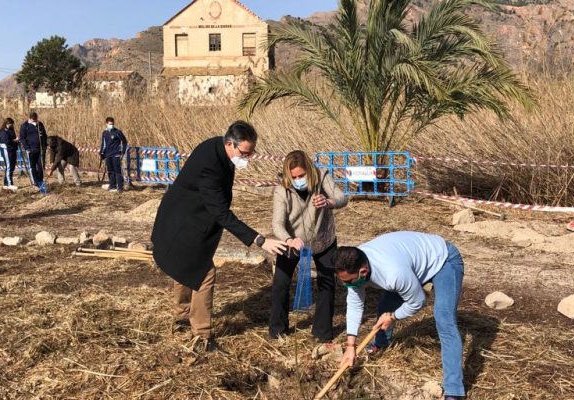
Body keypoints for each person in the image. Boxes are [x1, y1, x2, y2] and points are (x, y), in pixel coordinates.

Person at [151, 120, 287, 352]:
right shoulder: (210, 167)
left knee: (186, 267)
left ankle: (181, 317)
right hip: (184, 221)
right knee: (203, 273)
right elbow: (221, 213)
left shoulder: (218, 148)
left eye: (251, 152)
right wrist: (260, 240)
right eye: (245, 153)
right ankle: (202, 335)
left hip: (189, 216)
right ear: (230, 144)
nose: (248, 158)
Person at [334, 231, 466, 400]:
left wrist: (393, 316)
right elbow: (354, 305)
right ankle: (381, 343)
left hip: (443, 260)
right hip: (410, 263)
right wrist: (351, 345)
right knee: (385, 307)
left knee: (444, 320)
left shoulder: (393, 273)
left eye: (348, 281)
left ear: (363, 271)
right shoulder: (353, 261)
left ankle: (454, 389)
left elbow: (418, 301)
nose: (345, 285)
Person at [270, 150, 348, 341]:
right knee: (280, 283)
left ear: (310, 170)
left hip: (323, 239)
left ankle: (322, 332)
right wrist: (288, 240)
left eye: (302, 175)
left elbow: (342, 198)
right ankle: (277, 330)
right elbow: (277, 224)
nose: (298, 180)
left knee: (327, 283)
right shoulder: (282, 191)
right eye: (294, 177)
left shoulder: (322, 177)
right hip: (293, 242)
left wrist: (328, 202)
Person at [19, 111, 48, 193]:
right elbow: (22, 138)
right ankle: (35, 182)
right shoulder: (24, 126)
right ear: (30, 118)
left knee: (41, 166)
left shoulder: (40, 124)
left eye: (36, 120)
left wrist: (45, 145)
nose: (35, 121)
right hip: (31, 150)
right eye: (33, 120)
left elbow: (44, 135)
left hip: (41, 149)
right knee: (32, 167)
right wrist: (27, 148)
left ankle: (40, 181)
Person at [99, 117, 127, 192]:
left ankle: (120, 187)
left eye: (112, 124)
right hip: (108, 155)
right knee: (110, 171)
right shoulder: (104, 133)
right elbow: (103, 144)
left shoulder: (117, 132)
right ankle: (112, 186)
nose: (111, 125)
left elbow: (124, 141)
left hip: (116, 154)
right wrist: (102, 153)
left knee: (117, 171)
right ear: (106, 124)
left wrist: (123, 151)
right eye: (109, 124)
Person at [0, 117, 18, 190]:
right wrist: (14, 140)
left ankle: (6, 184)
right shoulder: (3, 131)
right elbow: (6, 141)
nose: (11, 125)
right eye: (10, 124)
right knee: (9, 166)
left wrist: (17, 141)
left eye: (12, 124)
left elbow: (13, 138)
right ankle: (9, 184)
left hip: (12, 149)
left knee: (11, 166)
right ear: (6, 123)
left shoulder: (11, 130)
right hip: (6, 150)